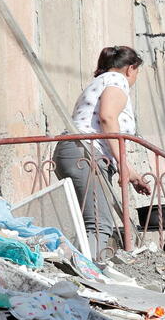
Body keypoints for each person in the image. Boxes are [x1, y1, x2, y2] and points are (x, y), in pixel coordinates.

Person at [54, 46, 152, 260]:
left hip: (74, 151)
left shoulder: (100, 82)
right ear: (130, 68)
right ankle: (80, 273)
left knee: (90, 223)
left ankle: (74, 267)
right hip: (85, 154)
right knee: (99, 225)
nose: (135, 78)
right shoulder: (117, 82)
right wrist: (122, 162)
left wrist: (130, 171)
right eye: (136, 72)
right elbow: (107, 118)